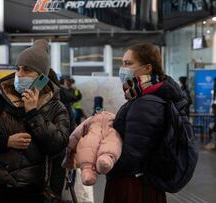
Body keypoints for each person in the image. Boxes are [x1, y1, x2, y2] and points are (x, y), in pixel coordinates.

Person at [0, 40, 70, 203]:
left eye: (26, 70)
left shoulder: (55, 107)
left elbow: (58, 146)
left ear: (41, 77)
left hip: (31, 191)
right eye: (17, 68)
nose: (19, 74)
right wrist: (4, 142)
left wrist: (33, 113)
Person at [104, 43, 187, 203]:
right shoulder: (143, 97)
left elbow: (134, 155)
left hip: (134, 185)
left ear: (148, 68)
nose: (123, 68)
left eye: (128, 63)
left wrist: (105, 162)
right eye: (122, 63)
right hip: (139, 183)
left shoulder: (146, 102)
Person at [62, 110, 122, 186]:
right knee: (111, 143)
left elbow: (75, 136)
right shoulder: (113, 124)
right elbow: (115, 142)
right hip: (102, 142)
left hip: (85, 150)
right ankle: (105, 159)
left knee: (87, 164)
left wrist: (69, 150)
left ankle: (90, 172)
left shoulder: (91, 120)